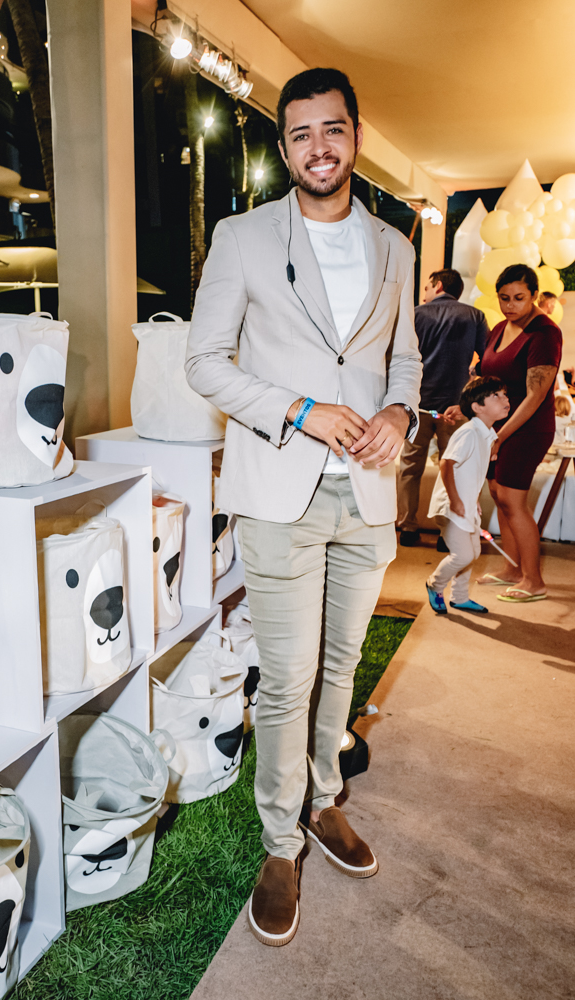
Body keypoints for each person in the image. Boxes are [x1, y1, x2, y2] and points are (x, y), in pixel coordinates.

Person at [185, 67, 421, 947]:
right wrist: (296, 410)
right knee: (286, 678)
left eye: (332, 129)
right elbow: (204, 362)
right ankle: (279, 844)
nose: (318, 147)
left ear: (354, 133)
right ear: (284, 148)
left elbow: (404, 359)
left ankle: (324, 801)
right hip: (278, 488)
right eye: (300, 134)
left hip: (365, 493)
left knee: (342, 661)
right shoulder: (243, 237)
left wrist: (399, 413)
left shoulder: (395, 247)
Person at [476, 264, 562, 602]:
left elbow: (535, 396)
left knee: (513, 500)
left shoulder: (545, 333)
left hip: (528, 428)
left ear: (535, 296)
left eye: (519, 298)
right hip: (496, 426)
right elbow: (487, 375)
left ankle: (533, 580)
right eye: (504, 298)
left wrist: (500, 437)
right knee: (498, 495)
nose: (510, 305)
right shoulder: (500, 327)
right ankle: (512, 569)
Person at [397, 268, 488, 546]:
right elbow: (487, 358)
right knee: (456, 470)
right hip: (457, 408)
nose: (424, 293)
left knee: (410, 467)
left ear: (437, 285)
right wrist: (472, 373)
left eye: (427, 287)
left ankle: (408, 527)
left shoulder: (415, 314)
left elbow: (399, 357)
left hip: (419, 405)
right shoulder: (475, 316)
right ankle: (447, 533)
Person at [425, 377, 509, 614]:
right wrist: (455, 500)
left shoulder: (486, 434)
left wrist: (474, 499)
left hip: (466, 504)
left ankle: (459, 597)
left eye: (504, 394)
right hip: (451, 506)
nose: (505, 399)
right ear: (477, 407)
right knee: (462, 555)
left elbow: (474, 471)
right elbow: (446, 464)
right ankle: (435, 584)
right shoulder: (470, 433)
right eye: (496, 395)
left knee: (473, 553)